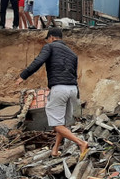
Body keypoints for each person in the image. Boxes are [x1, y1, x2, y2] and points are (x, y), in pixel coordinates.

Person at [15, 27, 88, 157]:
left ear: (52, 38)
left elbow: (38, 61)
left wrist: (23, 76)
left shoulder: (50, 47)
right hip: (72, 89)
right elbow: (73, 73)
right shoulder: (72, 53)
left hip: (59, 89)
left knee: (55, 125)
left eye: (48, 39)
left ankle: (81, 143)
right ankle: (55, 150)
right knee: (62, 124)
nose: (48, 42)